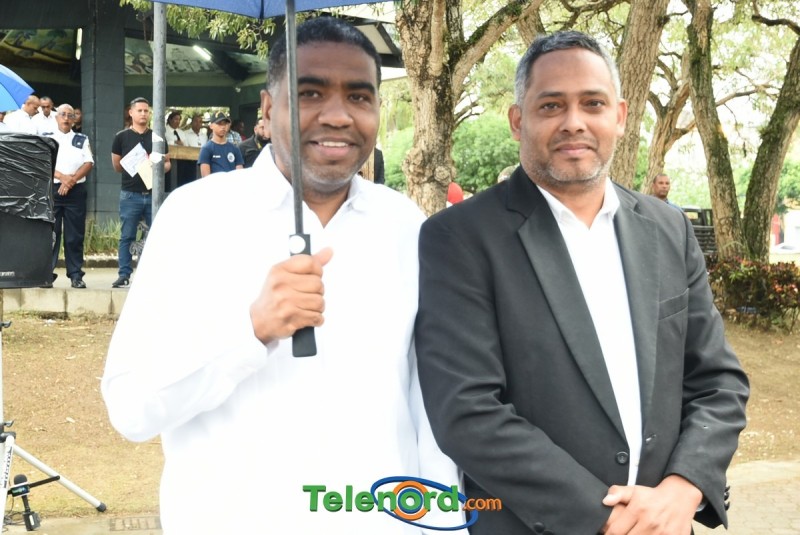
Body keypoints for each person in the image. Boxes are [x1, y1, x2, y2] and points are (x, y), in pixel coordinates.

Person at [102, 17, 461, 535]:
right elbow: (131, 407)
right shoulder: (194, 218)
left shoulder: (404, 224)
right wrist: (250, 331)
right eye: (310, 93)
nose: (338, 115)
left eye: (360, 97)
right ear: (268, 110)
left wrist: (443, 521)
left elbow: (427, 406)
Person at [414, 30, 750, 535]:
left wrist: (684, 487)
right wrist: (609, 518)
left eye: (592, 103)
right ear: (518, 120)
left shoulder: (668, 228)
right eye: (551, 105)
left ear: (619, 115)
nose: (574, 122)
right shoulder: (459, 237)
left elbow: (718, 381)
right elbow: (467, 411)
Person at [110, 97, 171, 288]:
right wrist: (134, 163)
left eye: (146, 111)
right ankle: (124, 274)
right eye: (140, 110)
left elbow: (168, 164)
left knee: (155, 235)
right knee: (127, 235)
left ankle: (154, 276)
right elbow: (116, 166)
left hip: (153, 195)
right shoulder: (121, 137)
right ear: (131, 113)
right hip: (130, 194)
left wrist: (157, 165)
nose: (143, 114)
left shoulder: (158, 137)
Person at [45, 104, 94, 288]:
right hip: (53, 189)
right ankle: (46, 273)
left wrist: (71, 181)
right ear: (56, 117)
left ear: (74, 119)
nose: (66, 118)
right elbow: (43, 162)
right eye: (63, 114)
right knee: (51, 233)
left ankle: (75, 275)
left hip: (75, 191)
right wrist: (63, 178)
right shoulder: (47, 138)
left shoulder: (81, 139)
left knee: (75, 235)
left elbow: (88, 163)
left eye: (70, 115)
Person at [197, 112, 243, 176]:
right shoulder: (206, 149)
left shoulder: (235, 149)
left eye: (225, 124)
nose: (223, 127)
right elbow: (206, 177)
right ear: (211, 126)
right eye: (219, 124)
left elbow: (239, 174)